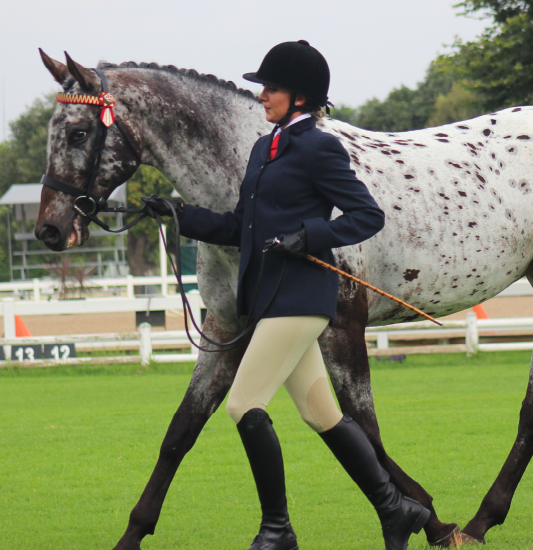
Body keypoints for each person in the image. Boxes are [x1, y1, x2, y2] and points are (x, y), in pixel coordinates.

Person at [149, 41, 428, 550]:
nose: (261, 95)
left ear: (301, 96)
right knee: (322, 414)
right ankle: (397, 509)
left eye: (271, 87)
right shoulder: (265, 147)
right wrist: (179, 214)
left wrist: (309, 236)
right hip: (268, 299)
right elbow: (241, 227)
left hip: (301, 297)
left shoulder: (321, 147)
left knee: (243, 404)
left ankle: (277, 529)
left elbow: (368, 215)